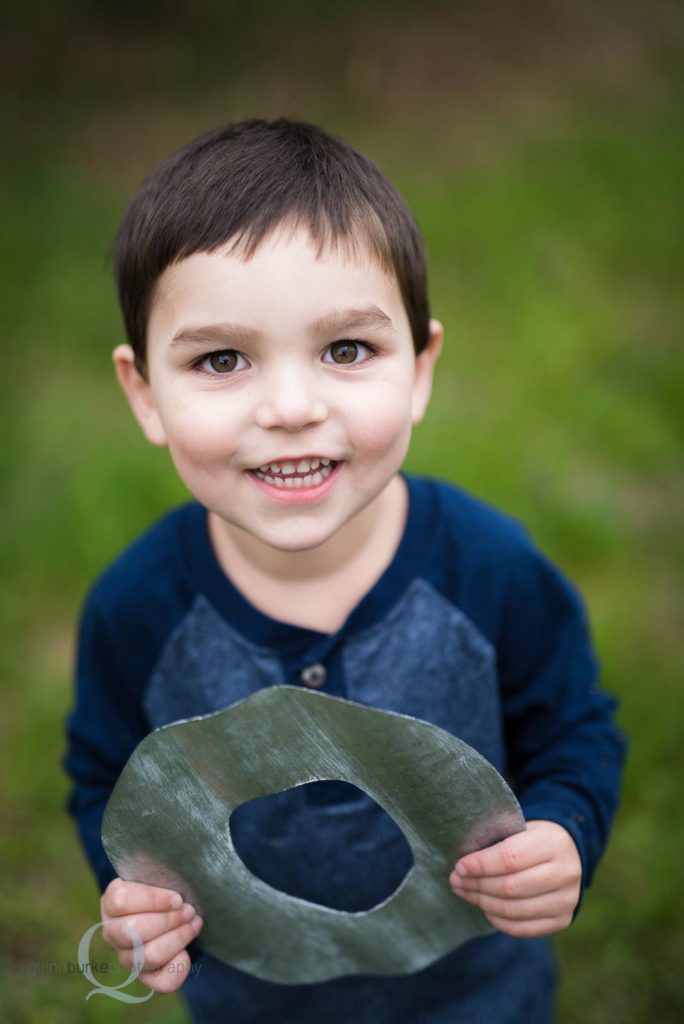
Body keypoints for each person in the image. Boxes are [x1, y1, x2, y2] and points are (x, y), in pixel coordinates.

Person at [64, 118, 626, 1022]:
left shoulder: (491, 571)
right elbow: (107, 776)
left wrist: (563, 830)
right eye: (221, 359)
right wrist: (135, 892)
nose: (291, 407)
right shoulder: (137, 609)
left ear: (419, 368)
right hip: (252, 999)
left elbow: (571, 730)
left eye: (347, 350)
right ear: (144, 394)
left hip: (474, 997)